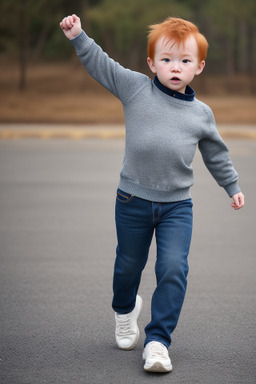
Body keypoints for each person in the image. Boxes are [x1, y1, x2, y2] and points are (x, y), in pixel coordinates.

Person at [60, 14, 244, 373]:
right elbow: (102, 65)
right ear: (151, 63)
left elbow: (217, 155)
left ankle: (158, 342)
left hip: (178, 207)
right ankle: (125, 310)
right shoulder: (135, 89)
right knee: (128, 267)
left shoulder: (202, 115)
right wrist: (78, 35)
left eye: (185, 61)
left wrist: (232, 186)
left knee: (174, 268)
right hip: (132, 201)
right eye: (167, 59)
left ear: (199, 67)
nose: (175, 67)